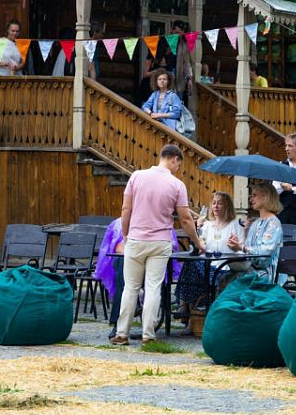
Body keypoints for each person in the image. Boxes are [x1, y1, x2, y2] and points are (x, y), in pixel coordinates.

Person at [110, 145, 204, 345]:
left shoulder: (136, 176)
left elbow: (126, 209)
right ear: (174, 159)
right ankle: (148, 335)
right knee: (153, 287)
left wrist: (126, 234)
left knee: (131, 287)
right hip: (161, 241)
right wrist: (197, 241)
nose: (178, 169)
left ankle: (122, 333)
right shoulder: (177, 185)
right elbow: (186, 219)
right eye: (178, 164)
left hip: (136, 239)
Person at [94, 218, 181, 339]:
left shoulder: (162, 222)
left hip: (152, 265)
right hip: (131, 262)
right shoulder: (120, 223)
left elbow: (169, 247)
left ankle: (123, 324)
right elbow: (118, 248)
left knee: (128, 275)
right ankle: (124, 320)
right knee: (121, 264)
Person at [176, 192, 245, 335]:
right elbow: (201, 247)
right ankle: (190, 315)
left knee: (197, 272)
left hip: (226, 267)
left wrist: (235, 247)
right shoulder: (207, 225)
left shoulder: (235, 225)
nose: (216, 206)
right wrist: (198, 232)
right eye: (214, 203)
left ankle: (185, 308)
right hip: (208, 265)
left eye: (220, 203)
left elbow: (242, 250)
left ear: (227, 206)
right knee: (190, 265)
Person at [227, 182, 284, 282]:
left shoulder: (273, 224)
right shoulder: (255, 223)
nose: (250, 199)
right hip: (248, 272)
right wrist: (237, 245)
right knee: (223, 277)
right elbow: (248, 252)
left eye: (254, 195)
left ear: (265, 197)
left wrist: (241, 247)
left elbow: (263, 257)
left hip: (263, 276)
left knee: (230, 282)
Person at [166, 20, 194, 101]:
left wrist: (189, 78)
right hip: (165, 77)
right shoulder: (166, 41)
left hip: (178, 79)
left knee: (177, 102)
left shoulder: (184, 45)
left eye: (180, 33)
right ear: (172, 30)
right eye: (176, 32)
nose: (178, 35)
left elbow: (187, 63)